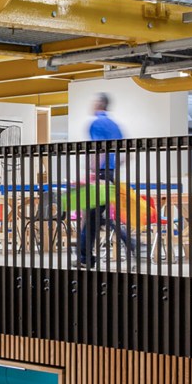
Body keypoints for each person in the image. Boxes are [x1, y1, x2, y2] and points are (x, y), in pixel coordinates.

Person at [78, 93, 137, 268]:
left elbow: (99, 149)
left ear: (99, 104)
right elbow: (127, 154)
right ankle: (128, 242)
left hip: (101, 174)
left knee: (91, 217)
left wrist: (95, 172)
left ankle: (85, 258)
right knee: (96, 217)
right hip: (110, 174)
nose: (92, 104)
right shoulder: (114, 125)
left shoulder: (96, 123)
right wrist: (112, 168)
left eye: (94, 102)